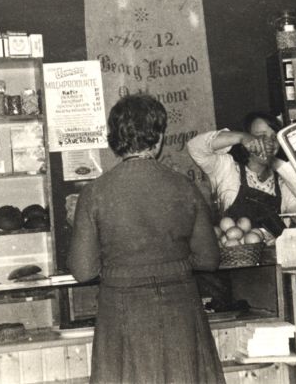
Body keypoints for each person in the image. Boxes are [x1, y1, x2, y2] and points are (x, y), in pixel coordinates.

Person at [67, 94, 226, 384]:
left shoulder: (95, 193)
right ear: (160, 137)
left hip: (122, 312)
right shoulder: (185, 187)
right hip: (181, 310)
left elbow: (82, 270)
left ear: (113, 139)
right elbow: (209, 260)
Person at [187, 111, 296, 238]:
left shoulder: (282, 183)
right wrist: (240, 137)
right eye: (260, 136)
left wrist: (277, 164)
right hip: (232, 253)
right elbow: (195, 147)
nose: (269, 142)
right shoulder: (226, 168)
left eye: (274, 137)